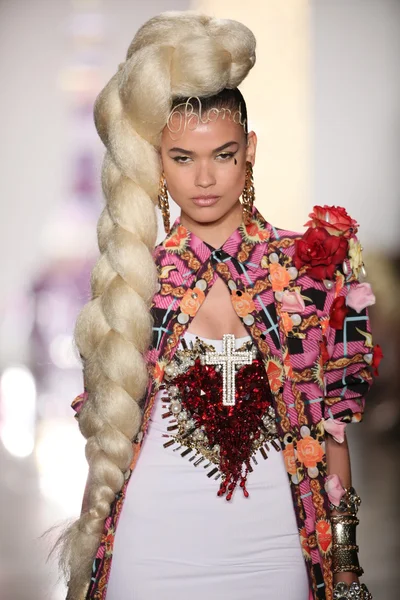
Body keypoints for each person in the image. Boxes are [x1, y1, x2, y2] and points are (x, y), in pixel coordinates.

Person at [56, 11, 380, 600]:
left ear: (249, 151)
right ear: (157, 158)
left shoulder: (315, 267)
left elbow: (333, 431)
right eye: (182, 158)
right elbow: (108, 436)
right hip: (149, 547)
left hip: (277, 546)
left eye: (223, 155)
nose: (204, 178)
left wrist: (347, 563)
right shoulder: (132, 282)